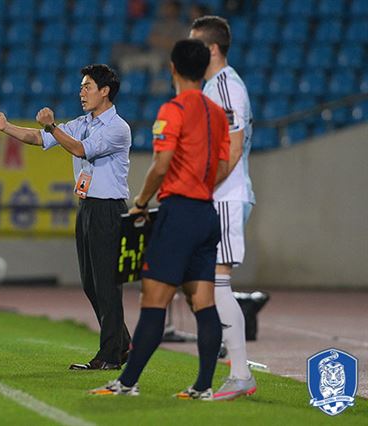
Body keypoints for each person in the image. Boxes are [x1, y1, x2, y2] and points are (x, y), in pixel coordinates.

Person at [89, 39, 230, 398]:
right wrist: (201, 188)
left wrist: (140, 200)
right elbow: (226, 165)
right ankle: (202, 386)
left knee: (153, 299)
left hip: (179, 213)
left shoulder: (173, 109)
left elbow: (161, 164)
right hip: (206, 214)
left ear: (172, 68)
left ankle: (126, 382)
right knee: (204, 302)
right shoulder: (217, 112)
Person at [0, 64, 132, 370]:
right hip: (88, 208)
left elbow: (81, 150)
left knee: (107, 284)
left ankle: (109, 355)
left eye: (87, 86)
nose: (81, 92)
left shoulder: (117, 128)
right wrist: (8, 127)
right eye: (81, 87)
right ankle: (123, 344)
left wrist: (53, 127)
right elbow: (39, 138)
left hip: (108, 209)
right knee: (91, 284)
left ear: (105, 91)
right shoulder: (83, 122)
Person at [190, 15, 257, 400]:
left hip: (227, 197)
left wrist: (201, 188)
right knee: (209, 284)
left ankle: (241, 373)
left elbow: (231, 150)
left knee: (218, 283)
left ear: (212, 49)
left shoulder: (227, 88)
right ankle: (232, 369)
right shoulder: (214, 86)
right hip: (219, 196)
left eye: (195, 43)